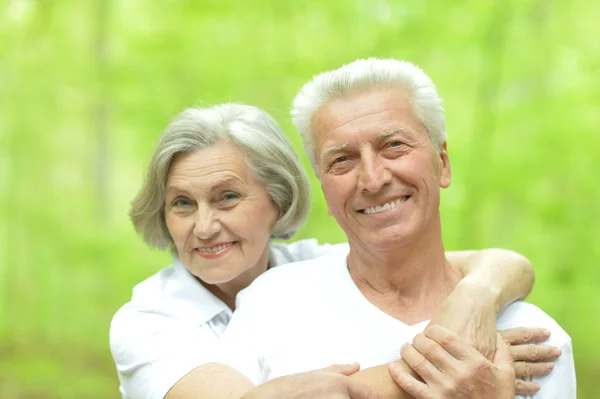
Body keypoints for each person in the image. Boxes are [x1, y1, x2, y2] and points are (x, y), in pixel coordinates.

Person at [110, 103, 558, 399]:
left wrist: (477, 294)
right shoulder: (147, 319)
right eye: (182, 204)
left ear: (278, 199)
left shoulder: (311, 268)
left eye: (227, 197)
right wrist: (462, 365)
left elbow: (502, 263)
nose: (203, 227)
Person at [201, 59, 575, 398]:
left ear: (442, 164)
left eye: (394, 146)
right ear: (326, 192)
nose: (373, 179)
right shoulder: (272, 303)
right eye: (342, 160)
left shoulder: (536, 339)